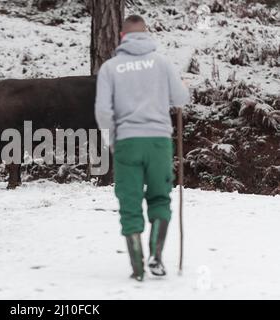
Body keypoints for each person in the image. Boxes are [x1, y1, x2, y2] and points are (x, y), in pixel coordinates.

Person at [95, 15, 189, 281]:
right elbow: (180, 98)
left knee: (129, 200)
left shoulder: (110, 68)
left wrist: (111, 140)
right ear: (147, 35)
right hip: (159, 141)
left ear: (122, 37)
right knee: (160, 197)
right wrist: (183, 86)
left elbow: (103, 111)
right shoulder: (162, 63)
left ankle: (137, 269)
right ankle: (156, 256)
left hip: (126, 141)